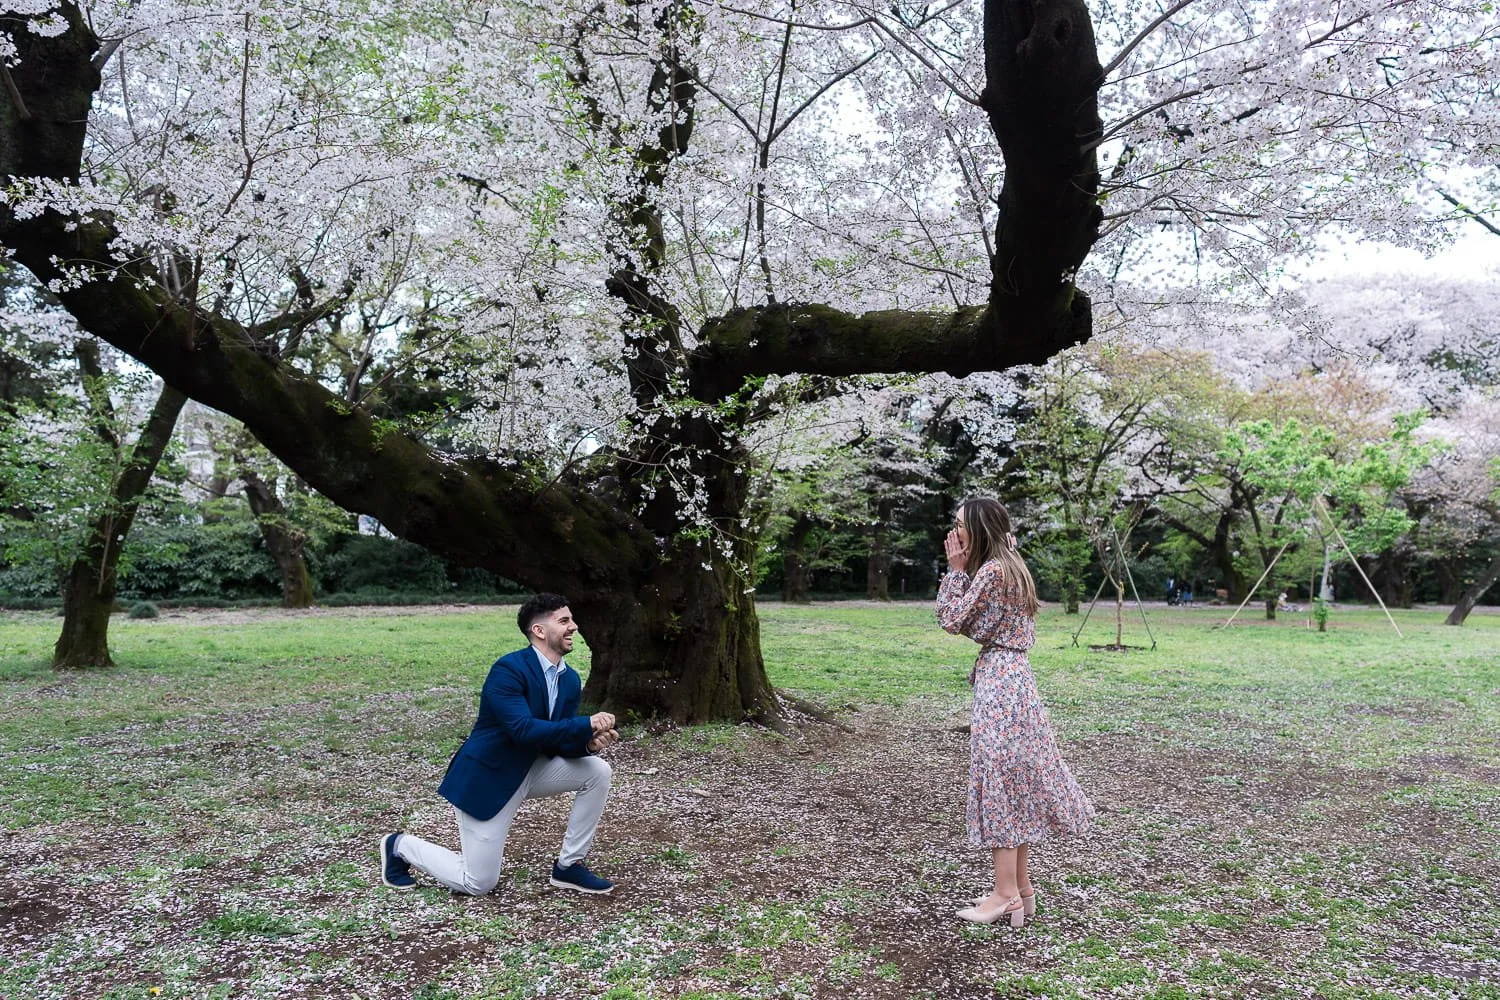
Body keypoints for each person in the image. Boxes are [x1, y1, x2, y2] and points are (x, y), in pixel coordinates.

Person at [379, 593, 621, 896]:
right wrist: (585, 724)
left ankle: (568, 867)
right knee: (478, 883)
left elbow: (556, 740)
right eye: (564, 620)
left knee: (596, 770)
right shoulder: (508, 670)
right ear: (540, 631)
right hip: (489, 778)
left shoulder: (569, 679)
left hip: (531, 770)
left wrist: (588, 745)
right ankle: (400, 846)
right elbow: (522, 729)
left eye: (571, 619)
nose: (573, 626)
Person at [937, 498, 1095, 927]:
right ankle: (1022, 889)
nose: (955, 534)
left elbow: (952, 619)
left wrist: (954, 572)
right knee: (1014, 781)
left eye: (959, 525)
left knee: (999, 783)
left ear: (977, 528)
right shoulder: (1013, 564)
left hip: (1000, 684)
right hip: (1017, 679)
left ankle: (1003, 893)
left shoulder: (989, 571)